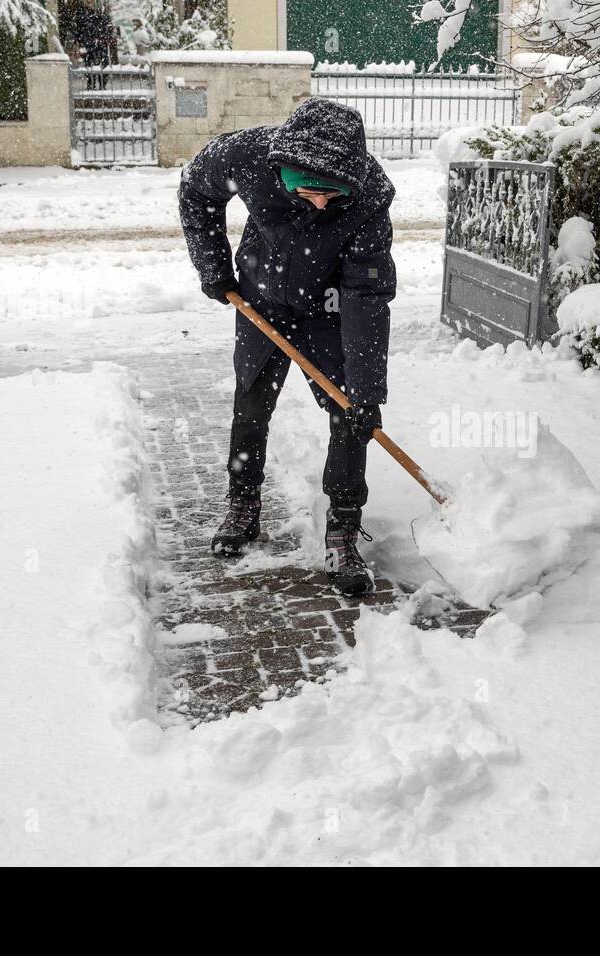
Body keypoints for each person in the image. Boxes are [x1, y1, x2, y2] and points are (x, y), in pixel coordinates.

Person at [178, 99, 397, 596]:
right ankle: (242, 502)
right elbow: (195, 189)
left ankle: (342, 526)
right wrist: (213, 267)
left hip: (331, 307)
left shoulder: (368, 198)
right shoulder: (250, 156)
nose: (321, 203)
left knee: (350, 414)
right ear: (283, 170)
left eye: (333, 193)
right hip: (260, 298)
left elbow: (367, 296)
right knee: (251, 404)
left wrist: (367, 392)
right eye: (309, 190)